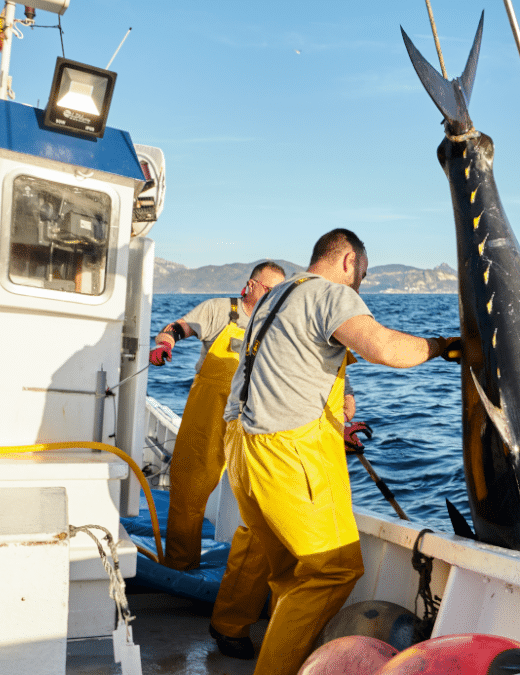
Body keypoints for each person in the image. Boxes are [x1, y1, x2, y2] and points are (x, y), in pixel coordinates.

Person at [207, 229, 460, 675]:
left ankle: (249, 635)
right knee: (332, 570)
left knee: (288, 570)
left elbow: (284, 368)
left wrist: (337, 413)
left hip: (242, 447)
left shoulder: (278, 294)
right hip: (286, 453)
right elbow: (382, 347)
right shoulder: (331, 294)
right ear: (347, 261)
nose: (361, 282)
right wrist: (441, 347)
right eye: (362, 272)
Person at [148, 261, 286, 571]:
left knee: (264, 495)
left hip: (254, 416)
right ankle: (180, 565)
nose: (273, 298)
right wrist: (165, 343)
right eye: (268, 290)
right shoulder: (219, 310)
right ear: (251, 286)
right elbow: (178, 328)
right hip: (209, 409)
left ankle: (255, 573)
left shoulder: (278, 325)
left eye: (279, 293)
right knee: (190, 487)